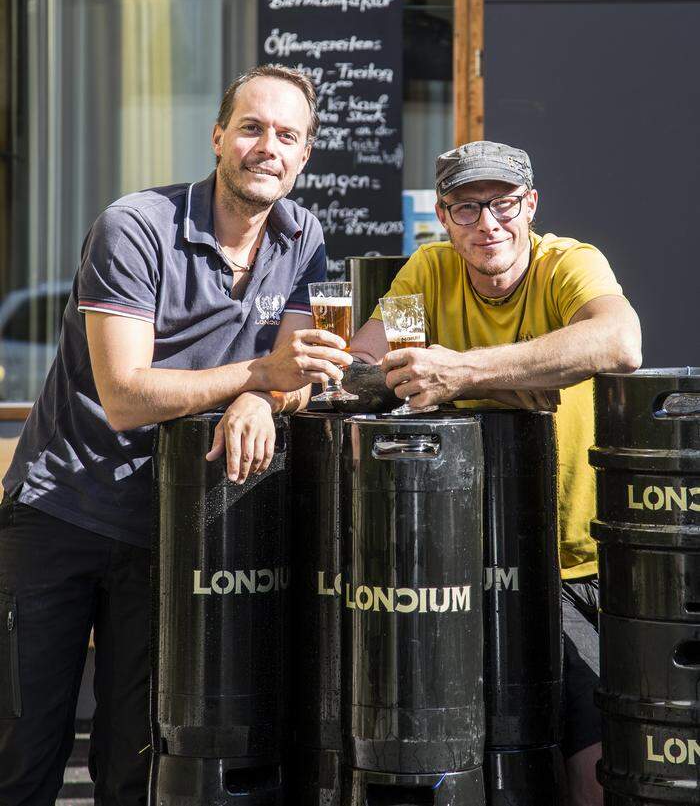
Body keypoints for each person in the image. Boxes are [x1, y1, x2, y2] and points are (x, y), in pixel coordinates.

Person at [0, 63, 351, 806]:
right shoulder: (138, 225)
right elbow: (125, 396)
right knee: (23, 753)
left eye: (288, 135)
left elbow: (297, 372)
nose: (268, 147)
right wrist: (260, 374)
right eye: (251, 127)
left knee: (137, 763)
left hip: (171, 528)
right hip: (61, 512)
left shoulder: (302, 235)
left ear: (306, 154)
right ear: (219, 135)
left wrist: (267, 398)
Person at [350, 140, 642, 806]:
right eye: (466, 208)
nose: (489, 224)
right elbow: (359, 370)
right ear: (443, 217)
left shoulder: (566, 262)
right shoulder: (426, 272)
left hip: (604, 557)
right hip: (496, 567)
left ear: (530, 205)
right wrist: (498, 385)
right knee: (548, 765)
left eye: (504, 203)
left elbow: (620, 342)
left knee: (626, 763)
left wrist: (464, 371)